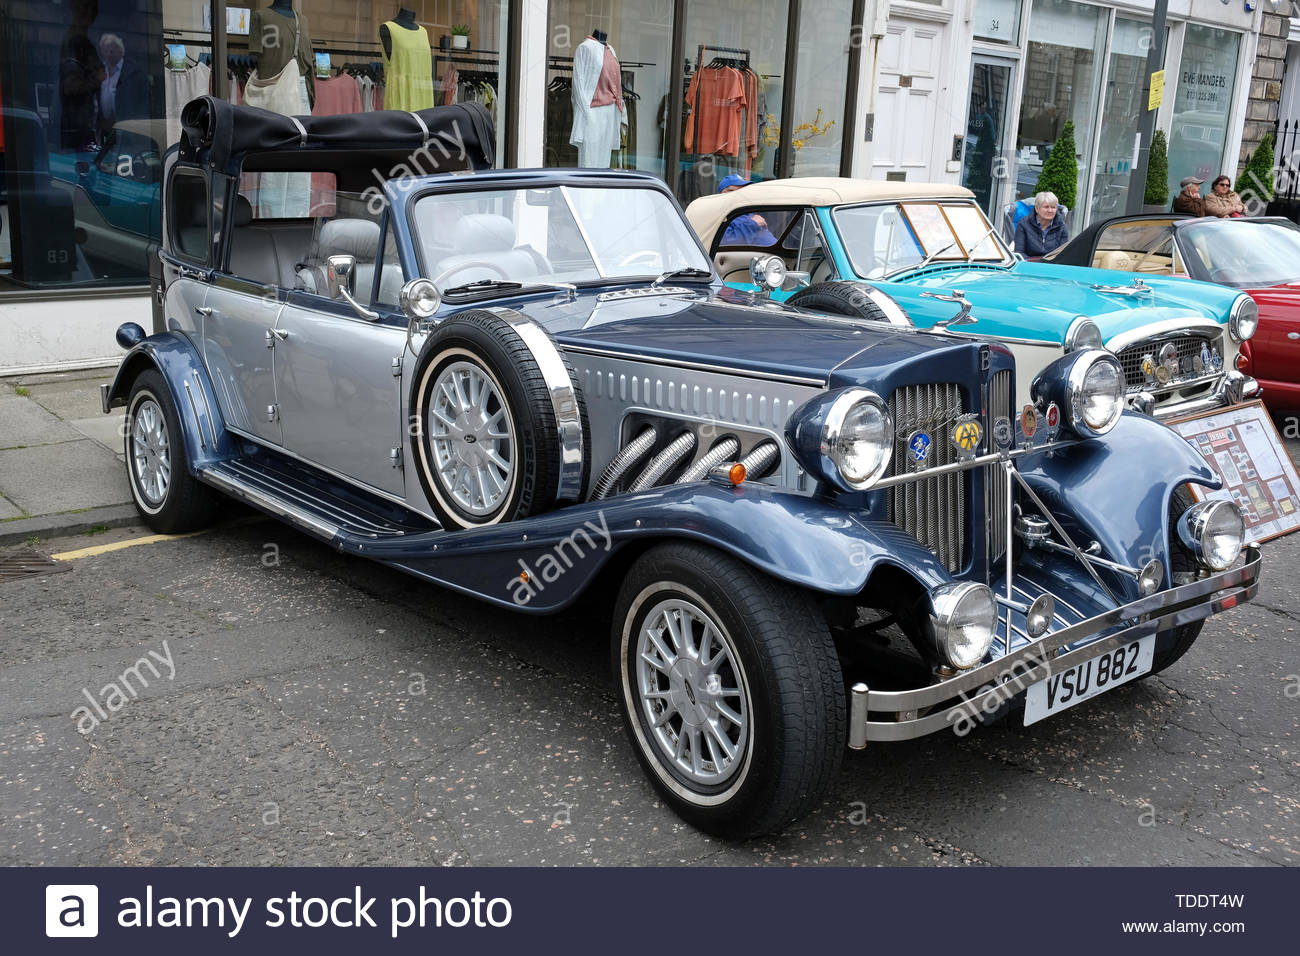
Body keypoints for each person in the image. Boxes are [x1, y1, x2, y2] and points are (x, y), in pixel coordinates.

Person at [97, 34, 149, 139]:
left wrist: (133, 124)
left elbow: (143, 103)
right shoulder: (99, 69)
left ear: (121, 51)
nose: (108, 54)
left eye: (111, 51)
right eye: (105, 51)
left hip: (127, 129)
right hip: (103, 129)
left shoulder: (135, 73)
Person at [718, 174, 775, 246]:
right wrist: (753, 223)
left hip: (773, 254)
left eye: (745, 190)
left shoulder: (742, 211)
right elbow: (726, 242)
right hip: (752, 256)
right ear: (725, 193)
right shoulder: (719, 214)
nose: (744, 194)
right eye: (740, 190)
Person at [1013, 190, 1067, 258]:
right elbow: (1019, 253)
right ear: (1037, 208)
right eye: (1046, 207)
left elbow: (1063, 254)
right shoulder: (1023, 224)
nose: (1050, 211)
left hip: (1052, 265)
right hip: (1029, 264)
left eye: (1053, 207)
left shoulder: (1062, 226)